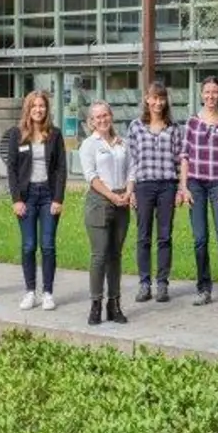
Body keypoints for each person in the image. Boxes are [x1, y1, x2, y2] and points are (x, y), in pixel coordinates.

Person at [179, 76, 218, 308]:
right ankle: (203, 289)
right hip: (196, 183)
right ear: (201, 94)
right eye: (206, 92)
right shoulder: (192, 122)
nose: (210, 96)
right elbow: (184, 156)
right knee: (200, 239)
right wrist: (184, 187)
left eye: (214, 92)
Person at [5, 90, 67, 311]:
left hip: (49, 196)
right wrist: (16, 199)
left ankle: (48, 292)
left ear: (46, 109)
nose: (38, 110)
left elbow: (61, 169)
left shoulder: (55, 134)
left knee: (48, 245)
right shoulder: (17, 134)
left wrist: (58, 198)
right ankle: (30, 291)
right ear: (28, 109)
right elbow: (11, 169)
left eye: (42, 106)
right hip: (27, 196)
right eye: (34, 106)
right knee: (29, 245)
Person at [127, 82, 186, 303]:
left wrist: (181, 188)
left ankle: (162, 283)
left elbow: (180, 161)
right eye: (154, 98)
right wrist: (130, 190)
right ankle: (144, 284)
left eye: (162, 99)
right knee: (143, 237)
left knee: (164, 236)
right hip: (143, 186)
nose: (158, 103)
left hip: (167, 186)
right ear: (147, 99)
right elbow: (131, 161)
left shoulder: (174, 127)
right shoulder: (135, 127)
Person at [80, 100, 132, 326]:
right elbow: (91, 177)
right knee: (99, 256)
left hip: (122, 202)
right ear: (91, 122)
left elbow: (132, 170)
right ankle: (96, 305)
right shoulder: (89, 145)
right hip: (100, 202)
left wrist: (128, 193)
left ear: (111, 116)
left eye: (105, 115)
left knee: (115, 256)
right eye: (97, 117)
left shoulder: (123, 143)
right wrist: (112, 196)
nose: (102, 120)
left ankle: (115, 304)